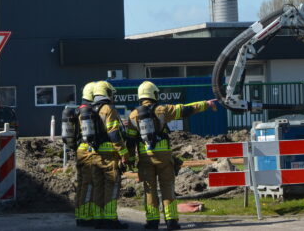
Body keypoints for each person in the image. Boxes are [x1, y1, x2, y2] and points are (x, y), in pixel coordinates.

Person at [127, 81, 218, 230]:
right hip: (163, 157)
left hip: (145, 158)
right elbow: (186, 109)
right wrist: (206, 104)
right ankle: (171, 221)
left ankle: (152, 222)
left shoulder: (133, 115)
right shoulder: (163, 110)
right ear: (154, 94)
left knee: (149, 190)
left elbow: (130, 141)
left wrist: (130, 159)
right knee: (167, 188)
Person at [91, 80, 130, 229]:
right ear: (106, 93)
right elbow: (113, 134)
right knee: (111, 186)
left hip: (94, 155)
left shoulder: (90, 109)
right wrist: (123, 153)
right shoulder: (108, 109)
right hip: (109, 156)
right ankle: (111, 219)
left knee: (98, 187)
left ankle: (98, 219)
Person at [73, 81, 98, 227]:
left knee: (82, 184)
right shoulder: (89, 112)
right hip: (88, 151)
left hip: (79, 151)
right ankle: (85, 217)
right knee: (89, 185)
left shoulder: (77, 110)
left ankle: (81, 215)